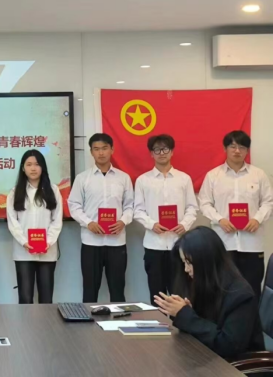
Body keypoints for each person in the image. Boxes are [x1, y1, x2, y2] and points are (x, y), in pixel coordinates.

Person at [155, 227, 264, 359]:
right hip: (207, 357)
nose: (186, 269)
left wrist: (187, 316)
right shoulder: (205, 283)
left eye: (189, 263)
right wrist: (188, 312)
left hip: (237, 365)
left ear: (206, 262)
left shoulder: (240, 295)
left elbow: (227, 345)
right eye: (184, 263)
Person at [199, 130, 273, 300]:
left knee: (252, 289)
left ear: (247, 150)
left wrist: (257, 219)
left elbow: (268, 202)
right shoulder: (213, 176)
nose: (237, 150)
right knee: (223, 289)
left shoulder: (258, 175)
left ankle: (252, 318)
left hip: (252, 243)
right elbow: (204, 203)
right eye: (233, 146)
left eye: (242, 147)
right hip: (224, 242)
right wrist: (220, 220)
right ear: (225, 149)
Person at [68, 133, 134, 303]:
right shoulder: (82, 178)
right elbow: (74, 205)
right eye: (96, 149)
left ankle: (118, 320)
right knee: (90, 291)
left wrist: (123, 221)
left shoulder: (123, 178)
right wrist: (88, 223)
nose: (101, 153)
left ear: (112, 149)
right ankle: (87, 320)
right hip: (91, 242)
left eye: (105, 148)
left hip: (116, 242)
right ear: (91, 152)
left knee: (117, 290)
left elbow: (130, 205)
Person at [134, 135, 198, 303]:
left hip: (179, 246)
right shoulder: (143, 180)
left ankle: (181, 321)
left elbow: (192, 207)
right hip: (154, 246)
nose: (161, 153)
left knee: (181, 295)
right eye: (157, 149)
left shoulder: (184, 179)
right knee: (157, 297)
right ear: (151, 154)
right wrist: (151, 224)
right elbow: (137, 210)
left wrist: (184, 224)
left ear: (172, 152)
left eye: (165, 149)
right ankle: (159, 321)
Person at [6, 149, 63, 304]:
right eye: (29, 164)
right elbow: (13, 222)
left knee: (46, 297)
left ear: (42, 167)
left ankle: (46, 322)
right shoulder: (15, 192)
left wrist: (48, 242)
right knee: (25, 297)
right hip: (23, 252)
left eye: (37, 164)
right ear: (23, 168)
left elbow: (57, 220)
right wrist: (24, 242)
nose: (33, 168)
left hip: (47, 251)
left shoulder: (53, 190)